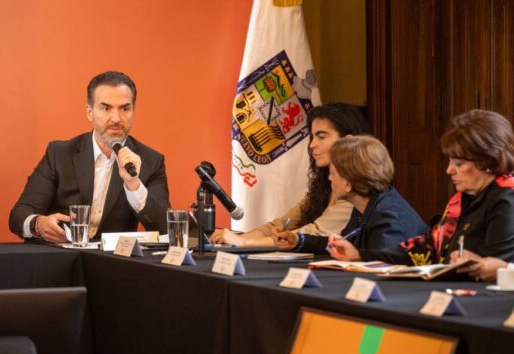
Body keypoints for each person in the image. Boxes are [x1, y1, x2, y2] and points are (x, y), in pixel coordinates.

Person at [329, 109, 514, 271]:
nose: (449, 170)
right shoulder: (461, 200)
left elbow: (497, 267)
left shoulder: (507, 198)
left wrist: (477, 264)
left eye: (458, 163)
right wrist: (359, 255)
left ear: (487, 161)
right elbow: (427, 249)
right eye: (450, 161)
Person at [9, 71, 170, 243]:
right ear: (89, 112)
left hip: (111, 259)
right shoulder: (59, 154)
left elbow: (165, 228)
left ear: (133, 111)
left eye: (125, 109)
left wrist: (134, 185)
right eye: (106, 108)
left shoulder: (151, 161)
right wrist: (38, 224)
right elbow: (19, 214)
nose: (116, 118)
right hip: (58, 253)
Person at [210, 103, 369, 246]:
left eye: (321, 137)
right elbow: (282, 223)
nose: (312, 145)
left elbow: (315, 233)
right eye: (312, 137)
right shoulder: (324, 184)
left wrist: (243, 242)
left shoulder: (358, 187)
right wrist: (236, 239)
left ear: (348, 141)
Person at [273, 136, 427, 254]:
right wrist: (299, 240)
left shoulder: (388, 221)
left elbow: (378, 270)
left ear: (348, 183)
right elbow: (345, 243)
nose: (329, 178)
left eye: (333, 173)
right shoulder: (366, 205)